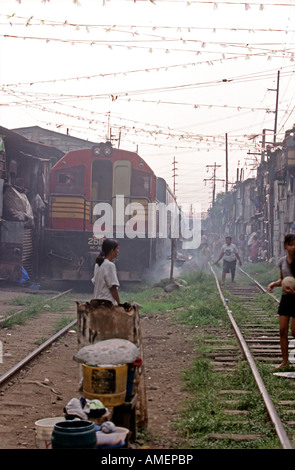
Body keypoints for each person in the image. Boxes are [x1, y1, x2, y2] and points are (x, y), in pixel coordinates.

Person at [268, 234, 295, 369]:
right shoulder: (282, 262)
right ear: (285, 246)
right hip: (286, 298)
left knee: (294, 332)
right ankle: (285, 361)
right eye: (291, 244)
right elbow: (284, 280)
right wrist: (274, 283)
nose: (293, 247)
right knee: (282, 330)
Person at [92, 238, 120, 305]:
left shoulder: (98, 265)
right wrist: (119, 303)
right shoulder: (110, 265)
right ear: (112, 251)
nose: (118, 251)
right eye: (117, 248)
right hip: (106, 304)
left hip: (96, 302)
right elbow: (113, 288)